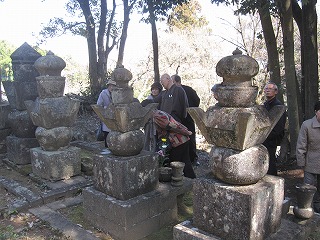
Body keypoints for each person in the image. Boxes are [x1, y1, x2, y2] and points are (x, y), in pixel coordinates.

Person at [157, 73, 196, 179]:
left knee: (178, 155)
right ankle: (186, 176)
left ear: (168, 79)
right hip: (167, 128)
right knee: (174, 154)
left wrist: (179, 122)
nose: (162, 83)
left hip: (177, 126)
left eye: (162, 81)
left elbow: (184, 107)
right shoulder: (164, 94)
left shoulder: (178, 90)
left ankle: (183, 177)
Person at [296, 100, 320, 212]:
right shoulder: (307, 125)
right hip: (310, 164)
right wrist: (301, 164)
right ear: (316, 112)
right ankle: (308, 212)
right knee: (308, 191)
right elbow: (301, 146)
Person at [172, 74, 200, 166]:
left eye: (173, 82)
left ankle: (193, 157)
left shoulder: (188, 90)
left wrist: (191, 110)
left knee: (190, 136)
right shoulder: (172, 91)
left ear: (178, 82)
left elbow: (197, 100)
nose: (172, 84)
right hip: (179, 118)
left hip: (188, 117)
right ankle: (183, 158)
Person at [262, 82, 286, 176]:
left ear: (275, 92)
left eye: (270, 89)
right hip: (264, 138)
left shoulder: (278, 106)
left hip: (271, 139)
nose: (267, 90)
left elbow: (279, 127)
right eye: (266, 89)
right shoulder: (265, 104)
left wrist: (267, 136)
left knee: (270, 162)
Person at [142, 82, 163, 151]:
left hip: (160, 122)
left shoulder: (162, 98)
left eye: (156, 89)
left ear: (159, 90)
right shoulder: (148, 100)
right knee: (147, 140)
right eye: (153, 89)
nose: (154, 91)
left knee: (159, 140)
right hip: (149, 123)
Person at [97, 79, 116, 148]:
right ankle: (107, 148)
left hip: (115, 117)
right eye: (110, 86)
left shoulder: (117, 93)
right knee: (106, 134)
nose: (112, 87)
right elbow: (99, 105)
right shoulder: (103, 93)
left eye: (113, 86)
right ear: (108, 86)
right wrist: (106, 108)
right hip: (106, 117)